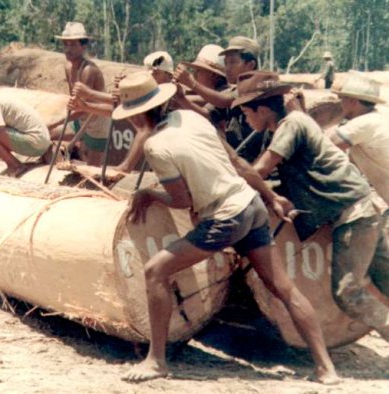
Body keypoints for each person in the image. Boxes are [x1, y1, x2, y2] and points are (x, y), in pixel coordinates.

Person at [117, 72, 338, 384]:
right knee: (284, 288)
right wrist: (270, 195)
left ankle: (156, 360)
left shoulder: (155, 145)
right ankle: (326, 368)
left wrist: (149, 193)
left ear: (137, 115)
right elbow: (236, 161)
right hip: (251, 205)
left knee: (155, 271)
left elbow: (180, 200)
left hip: (225, 217)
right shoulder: (190, 118)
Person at [232, 71, 389, 342]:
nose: (246, 120)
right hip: (363, 208)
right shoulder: (292, 124)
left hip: (354, 213)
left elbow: (261, 169)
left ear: (263, 109)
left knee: (347, 292)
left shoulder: (292, 125)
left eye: (247, 113)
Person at [175, 36, 264, 162]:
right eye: (226, 63)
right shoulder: (233, 91)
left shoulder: (256, 85)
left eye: (233, 62)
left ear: (250, 65)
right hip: (244, 161)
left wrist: (191, 83)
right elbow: (207, 114)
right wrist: (181, 99)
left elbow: (224, 101)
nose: (227, 68)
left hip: (263, 166)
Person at [326, 72, 389, 205]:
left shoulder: (362, 124)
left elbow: (325, 147)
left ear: (353, 101)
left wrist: (302, 115)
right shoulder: (379, 115)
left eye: (342, 99)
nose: (339, 104)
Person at [55, 21, 110, 166]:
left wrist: (55, 121)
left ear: (83, 46)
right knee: (52, 134)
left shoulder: (89, 71)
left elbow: (82, 107)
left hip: (97, 120)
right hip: (81, 117)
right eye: (66, 44)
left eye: (73, 45)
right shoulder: (68, 68)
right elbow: (75, 103)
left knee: (93, 169)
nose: (68, 49)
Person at [173, 44, 229, 121]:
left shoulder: (225, 93)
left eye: (199, 71)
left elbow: (206, 114)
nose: (195, 74)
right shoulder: (208, 94)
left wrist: (190, 83)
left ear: (213, 75)